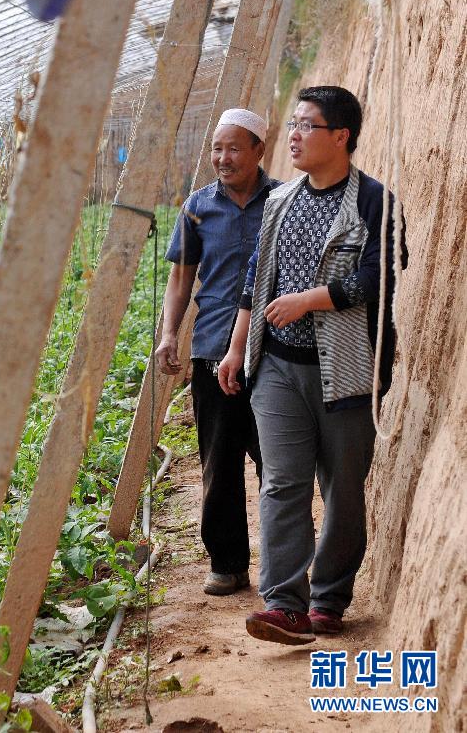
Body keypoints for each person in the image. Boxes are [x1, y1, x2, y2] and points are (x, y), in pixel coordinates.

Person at [218, 86, 408, 644]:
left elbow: (380, 275)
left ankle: (329, 598)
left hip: (349, 373)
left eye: (307, 125)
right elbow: (258, 277)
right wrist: (236, 347)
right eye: (294, 124)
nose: (294, 136)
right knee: (281, 484)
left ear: (341, 136)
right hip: (277, 367)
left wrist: (310, 299)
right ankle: (284, 605)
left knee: (344, 488)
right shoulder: (281, 201)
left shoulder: (376, 202)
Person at [157, 108, 281, 595]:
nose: (223, 158)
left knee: (277, 462)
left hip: (275, 350)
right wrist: (170, 334)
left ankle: (282, 568)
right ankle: (227, 563)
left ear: (259, 151)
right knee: (220, 460)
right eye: (216, 148)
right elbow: (181, 277)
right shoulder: (197, 208)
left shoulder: (284, 202)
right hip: (212, 348)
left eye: (233, 148)